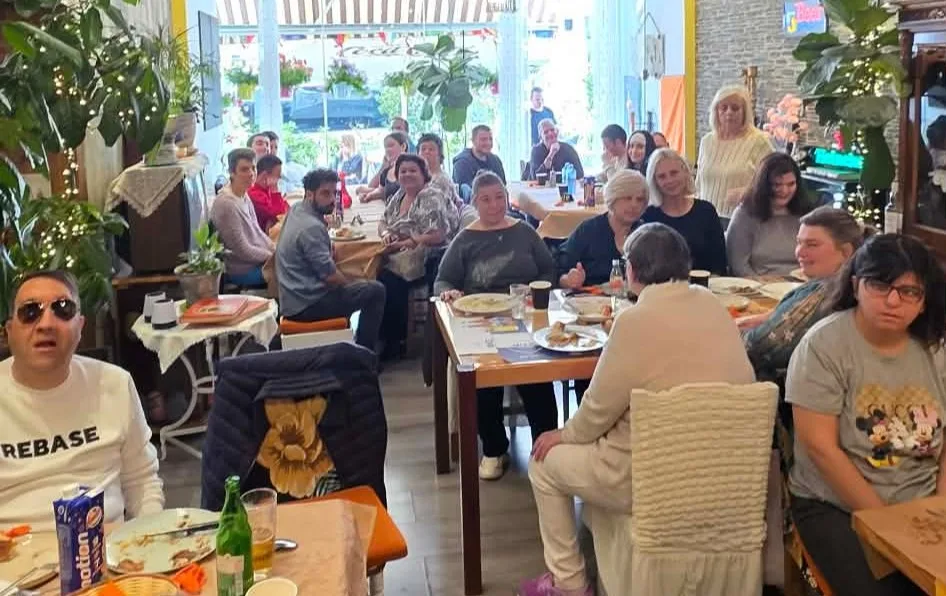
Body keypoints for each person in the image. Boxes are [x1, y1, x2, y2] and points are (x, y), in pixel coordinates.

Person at [519, 223, 754, 596]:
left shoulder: (634, 320)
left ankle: (569, 582)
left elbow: (596, 411)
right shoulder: (712, 305)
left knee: (542, 462)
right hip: (721, 470)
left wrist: (561, 434)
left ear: (631, 269)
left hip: (651, 474)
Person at [787, 234, 946, 596]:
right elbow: (821, 449)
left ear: (924, 301)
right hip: (836, 503)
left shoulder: (935, 348)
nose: (893, 301)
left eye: (909, 291)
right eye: (879, 285)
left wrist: (939, 507)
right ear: (856, 286)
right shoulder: (824, 346)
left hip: (922, 499)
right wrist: (888, 526)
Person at [0, 270, 165, 531]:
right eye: (30, 311)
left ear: (80, 326)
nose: (46, 324)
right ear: (9, 331)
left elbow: (143, 483)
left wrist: (148, 537)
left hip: (107, 545)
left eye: (63, 309)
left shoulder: (114, 384)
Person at [435, 171, 559, 480]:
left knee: (536, 375)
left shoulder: (524, 232)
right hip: (480, 320)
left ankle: (545, 448)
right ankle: (494, 448)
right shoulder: (465, 239)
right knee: (484, 379)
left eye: (499, 198)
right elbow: (443, 279)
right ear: (475, 202)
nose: (494, 206)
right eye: (486, 200)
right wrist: (450, 293)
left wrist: (536, 289)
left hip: (524, 316)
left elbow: (548, 269)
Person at [742, 206, 873, 376]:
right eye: (799, 242)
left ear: (846, 252)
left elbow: (757, 348)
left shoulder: (823, 294)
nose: (799, 252)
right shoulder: (850, 284)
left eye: (812, 245)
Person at [276, 169, 385, 352]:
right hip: (307, 305)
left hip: (292, 297)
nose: (333, 199)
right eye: (325, 193)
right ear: (309, 194)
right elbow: (331, 277)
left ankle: (355, 345)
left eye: (334, 193)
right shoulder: (310, 227)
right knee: (375, 290)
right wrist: (353, 285)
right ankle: (365, 355)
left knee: (358, 282)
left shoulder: (297, 209)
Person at [378, 155, 454, 359]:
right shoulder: (400, 194)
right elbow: (383, 221)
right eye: (403, 171)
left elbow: (438, 235)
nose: (407, 175)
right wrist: (386, 234)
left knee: (386, 279)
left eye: (413, 170)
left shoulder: (430, 196)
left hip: (432, 255)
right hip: (403, 250)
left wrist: (405, 243)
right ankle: (385, 337)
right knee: (377, 271)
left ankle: (394, 341)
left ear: (423, 174)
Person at [559, 170, 649, 290]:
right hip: (590, 298)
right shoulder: (589, 230)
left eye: (640, 199)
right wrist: (569, 280)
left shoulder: (646, 235)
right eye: (627, 198)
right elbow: (559, 271)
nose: (634, 205)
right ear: (612, 199)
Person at [726, 152, 811, 277]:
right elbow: (738, 265)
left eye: (791, 184)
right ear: (764, 185)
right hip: (758, 284)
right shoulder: (745, 215)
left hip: (801, 282)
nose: (785, 190)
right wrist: (761, 284)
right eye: (777, 185)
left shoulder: (806, 213)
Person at [644, 148, 727, 274]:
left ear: (685, 172)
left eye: (674, 173)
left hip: (705, 283)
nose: (669, 180)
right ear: (654, 181)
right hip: (661, 285)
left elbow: (719, 263)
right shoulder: (648, 216)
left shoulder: (706, 211)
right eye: (662, 176)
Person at [697, 85, 774, 220]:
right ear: (716, 111)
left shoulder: (758, 141)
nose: (729, 112)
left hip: (742, 219)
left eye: (735, 108)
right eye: (723, 108)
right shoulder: (706, 141)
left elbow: (773, 181)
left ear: (745, 112)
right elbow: (699, 183)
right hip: (705, 218)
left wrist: (748, 192)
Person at [210, 148, 275, 287]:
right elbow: (242, 250)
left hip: (256, 262)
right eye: (244, 169)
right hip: (242, 271)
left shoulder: (243, 194)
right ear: (231, 172)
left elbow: (257, 232)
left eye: (253, 168)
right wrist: (272, 257)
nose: (251, 173)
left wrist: (275, 250)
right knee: (294, 271)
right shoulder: (226, 204)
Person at [417, 132, 468, 234]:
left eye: (431, 149)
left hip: (438, 229)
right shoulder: (419, 177)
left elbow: (438, 212)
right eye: (423, 149)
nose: (427, 152)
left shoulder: (441, 180)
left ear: (440, 155)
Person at [357, 132, 409, 203]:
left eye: (390, 146)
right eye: (385, 147)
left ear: (403, 146)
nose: (387, 150)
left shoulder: (413, 169)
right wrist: (369, 196)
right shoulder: (386, 172)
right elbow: (381, 191)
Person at [452, 124, 507, 190]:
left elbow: (503, 187)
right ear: (473, 141)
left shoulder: (496, 160)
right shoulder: (462, 163)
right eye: (483, 139)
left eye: (490, 139)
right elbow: (465, 192)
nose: (488, 143)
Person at [247, 154, 289, 233]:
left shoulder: (266, 190)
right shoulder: (255, 195)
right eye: (277, 175)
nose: (279, 178)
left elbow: (287, 209)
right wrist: (275, 190)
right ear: (265, 175)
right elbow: (280, 217)